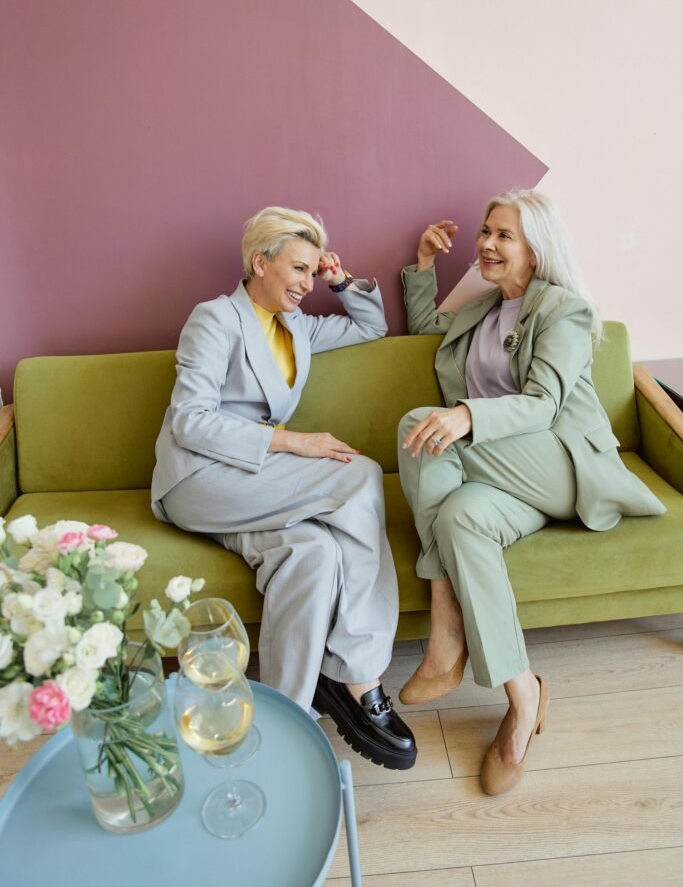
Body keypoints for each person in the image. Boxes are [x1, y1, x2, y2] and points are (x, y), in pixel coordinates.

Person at [397, 189, 664, 794]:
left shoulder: (563, 310)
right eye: (485, 232)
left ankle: (446, 631)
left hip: (561, 465)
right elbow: (426, 330)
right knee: (460, 514)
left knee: (420, 428)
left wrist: (466, 415)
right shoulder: (482, 310)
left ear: (536, 250)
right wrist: (423, 266)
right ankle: (522, 696)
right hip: (505, 473)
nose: (486, 244)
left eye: (503, 235)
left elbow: (544, 404)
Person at [151, 206, 416, 770]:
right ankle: (360, 673)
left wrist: (340, 281)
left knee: (312, 552)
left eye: (312, 272)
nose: (306, 283)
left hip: (254, 484)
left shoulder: (297, 327)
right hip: (201, 477)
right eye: (298, 269)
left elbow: (371, 326)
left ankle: (285, 720)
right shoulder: (215, 318)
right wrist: (293, 442)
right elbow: (189, 421)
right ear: (259, 262)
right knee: (360, 473)